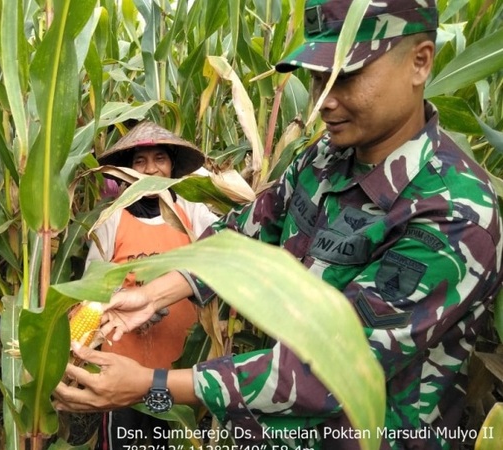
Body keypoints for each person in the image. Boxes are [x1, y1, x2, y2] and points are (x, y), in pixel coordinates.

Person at [54, 1, 503, 449]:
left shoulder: (454, 214)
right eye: (316, 76)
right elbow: (247, 232)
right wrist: (154, 292)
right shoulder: (325, 157)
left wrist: (152, 385)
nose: (324, 100)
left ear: (420, 62)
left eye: (345, 76)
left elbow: (333, 366)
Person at [86, 120, 218, 449]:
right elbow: (90, 285)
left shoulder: (192, 209)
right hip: (122, 365)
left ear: (173, 164)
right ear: (128, 170)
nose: (151, 169)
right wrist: (124, 295)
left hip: (183, 366)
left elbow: (226, 254)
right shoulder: (112, 217)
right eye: (140, 162)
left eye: (160, 158)